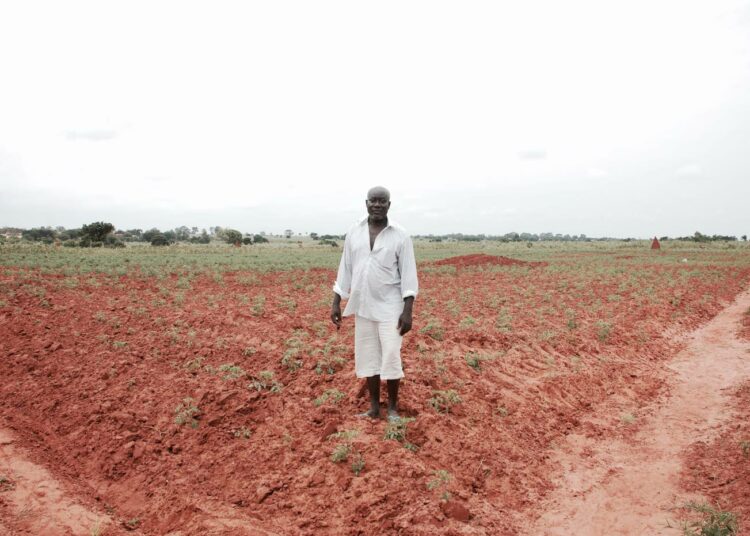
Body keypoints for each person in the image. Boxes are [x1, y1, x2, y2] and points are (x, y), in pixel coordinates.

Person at [330, 186, 418, 421]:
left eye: (382, 201)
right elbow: (345, 268)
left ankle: (391, 409)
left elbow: (409, 275)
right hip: (363, 304)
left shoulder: (400, 235)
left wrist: (408, 311)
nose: (377, 205)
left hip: (391, 307)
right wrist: (337, 301)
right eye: (373, 201)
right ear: (366, 203)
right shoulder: (354, 232)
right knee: (368, 355)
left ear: (389, 205)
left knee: (390, 354)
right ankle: (373, 408)